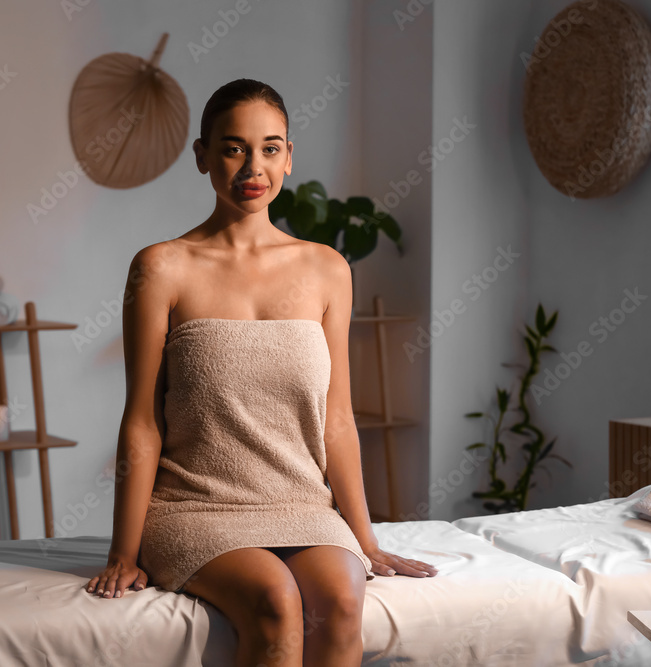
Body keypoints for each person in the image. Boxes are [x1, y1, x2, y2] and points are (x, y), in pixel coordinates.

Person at [85, 78, 438, 666]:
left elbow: (339, 421)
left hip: (302, 502)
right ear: (202, 156)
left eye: (271, 148)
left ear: (289, 157)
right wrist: (124, 550)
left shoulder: (327, 270)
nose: (254, 166)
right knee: (276, 599)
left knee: (344, 603)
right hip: (196, 508)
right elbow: (142, 422)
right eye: (233, 148)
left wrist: (365, 538)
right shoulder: (162, 268)